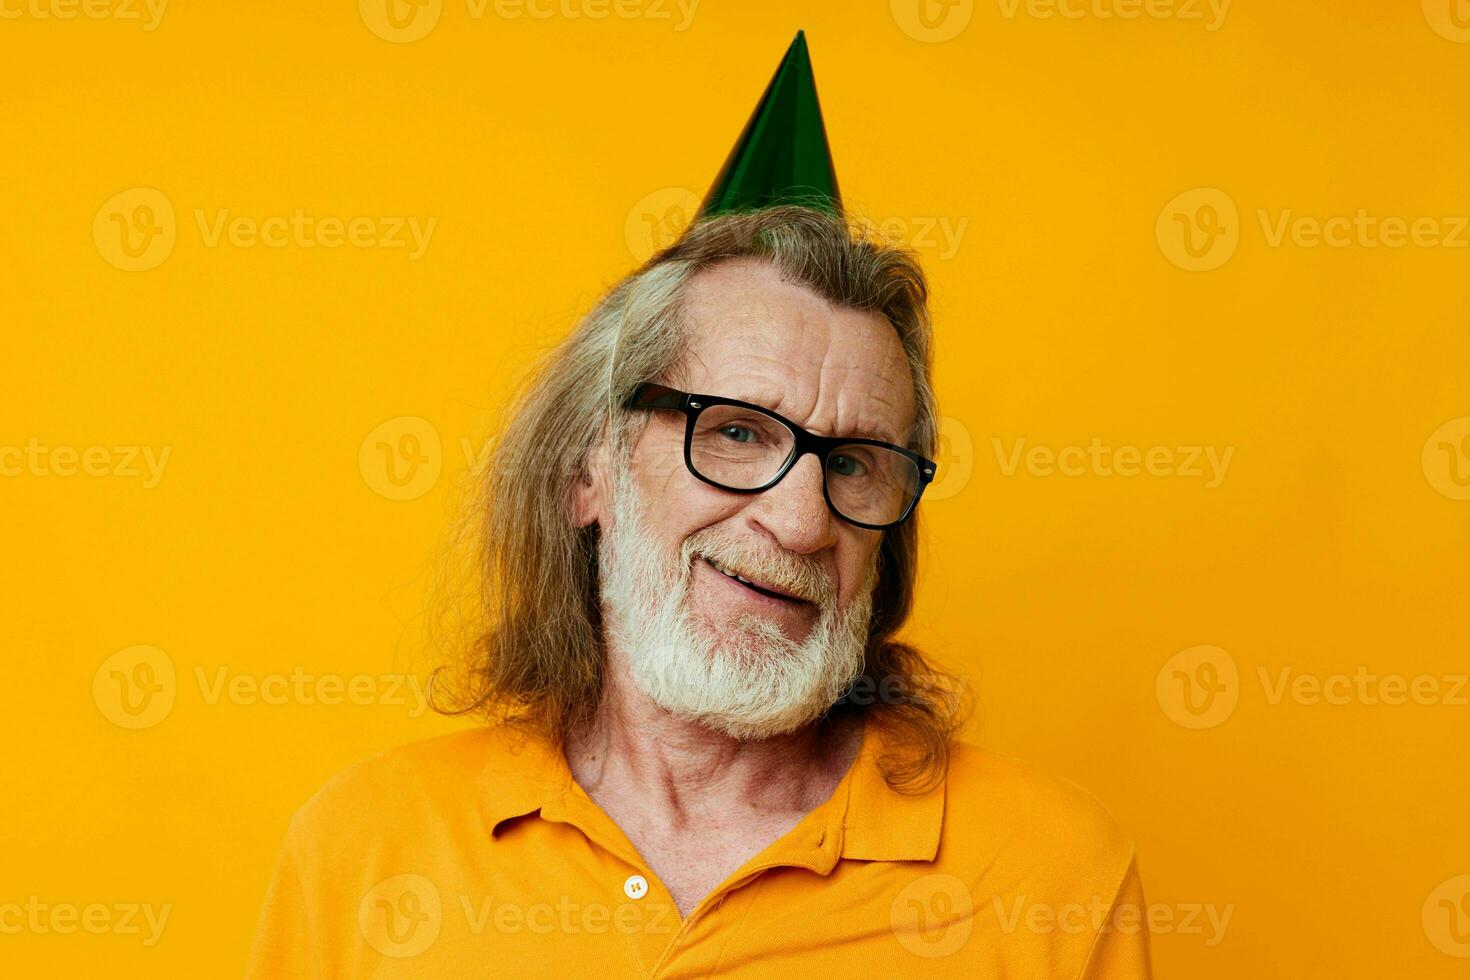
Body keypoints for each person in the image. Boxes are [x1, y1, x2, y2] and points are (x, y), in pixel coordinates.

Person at [246, 32, 1152, 978]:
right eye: (734, 433)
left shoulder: (1054, 878)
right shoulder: (366, 847)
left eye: (852, 461)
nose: (801, 522)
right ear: (587, 467)